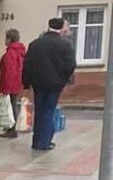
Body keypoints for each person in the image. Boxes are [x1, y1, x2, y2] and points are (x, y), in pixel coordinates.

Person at [24, 16, 78, 153]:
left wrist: (26, 82)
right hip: (55, 84)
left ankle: (36, 141)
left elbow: (27, 65)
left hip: (38, 83)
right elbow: (71, 64)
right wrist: (63, 78)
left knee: (39, 110)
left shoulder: (35, 44)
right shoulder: (64, 45)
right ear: (60, 29)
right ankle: (44, 142)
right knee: (48, 111)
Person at [0, 28, 26, 140]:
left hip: (11, 83)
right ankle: (12, 127)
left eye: (6, 38)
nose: (5, 40)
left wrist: (7, 88)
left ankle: (12, 129)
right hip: (17, 82)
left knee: (10, 106)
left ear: (9, 39)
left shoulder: (11, 53)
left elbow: (10, 70)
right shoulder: (20, 51)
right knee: (13, 105)